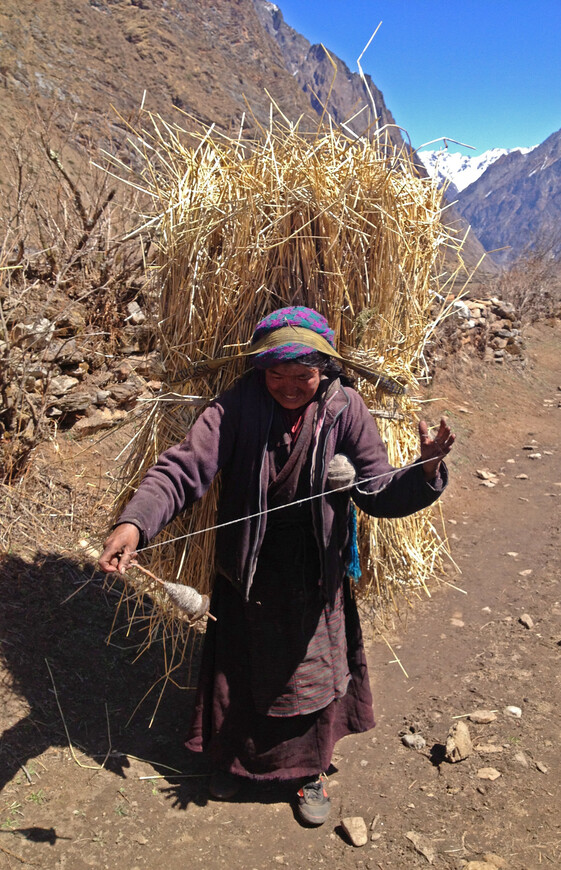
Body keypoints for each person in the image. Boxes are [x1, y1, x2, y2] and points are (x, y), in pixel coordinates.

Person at [99, 306, 454, 826]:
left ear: (325, 370)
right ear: (259, 371)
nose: (289, 386)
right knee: (241, 675)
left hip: (316, 574)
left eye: (303, 375)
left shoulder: (344, 408)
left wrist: (426, 469)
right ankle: (237, 766)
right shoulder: (237, 406)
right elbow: (183, 469)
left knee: (307, 680)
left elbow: (377, 491)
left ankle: (310, 774)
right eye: (276, 374)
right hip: (247, 567)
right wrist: (135, 525)